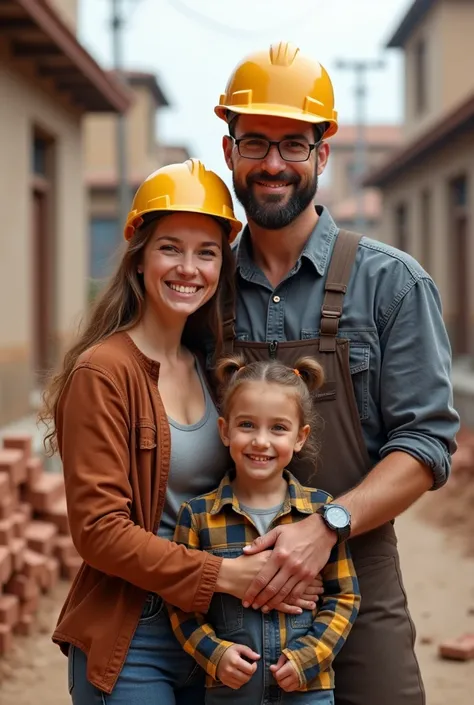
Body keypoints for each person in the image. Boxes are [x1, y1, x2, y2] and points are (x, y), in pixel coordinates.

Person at [210, 42, 460, 705]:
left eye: (294, 144)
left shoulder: (391, 283)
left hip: (359, 571)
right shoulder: (201, 292)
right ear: (229, 149)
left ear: (323, 154)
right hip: (229, 579)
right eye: (255, 142)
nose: (273, 164)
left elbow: (427, 443)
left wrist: (326, 526)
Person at [39, 159, 319, 705]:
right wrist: (231, 576)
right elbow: (99, 531)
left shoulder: (210, 369)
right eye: (170, 247)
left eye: (206, 252)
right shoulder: (105, 371)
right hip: (135, 632)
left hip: (217, 635)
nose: (188, 268)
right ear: (139, 257)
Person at [168, 356, 360, 705]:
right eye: (247, 425)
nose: (260, 441)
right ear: (224, 430)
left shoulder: (320, 513)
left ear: (301, 437)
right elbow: (181, 606)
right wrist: (215, 655)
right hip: (230, 693)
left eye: (278, 428)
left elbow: (343, 597)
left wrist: (308, 657)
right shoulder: (197, 516)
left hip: (307, 692)